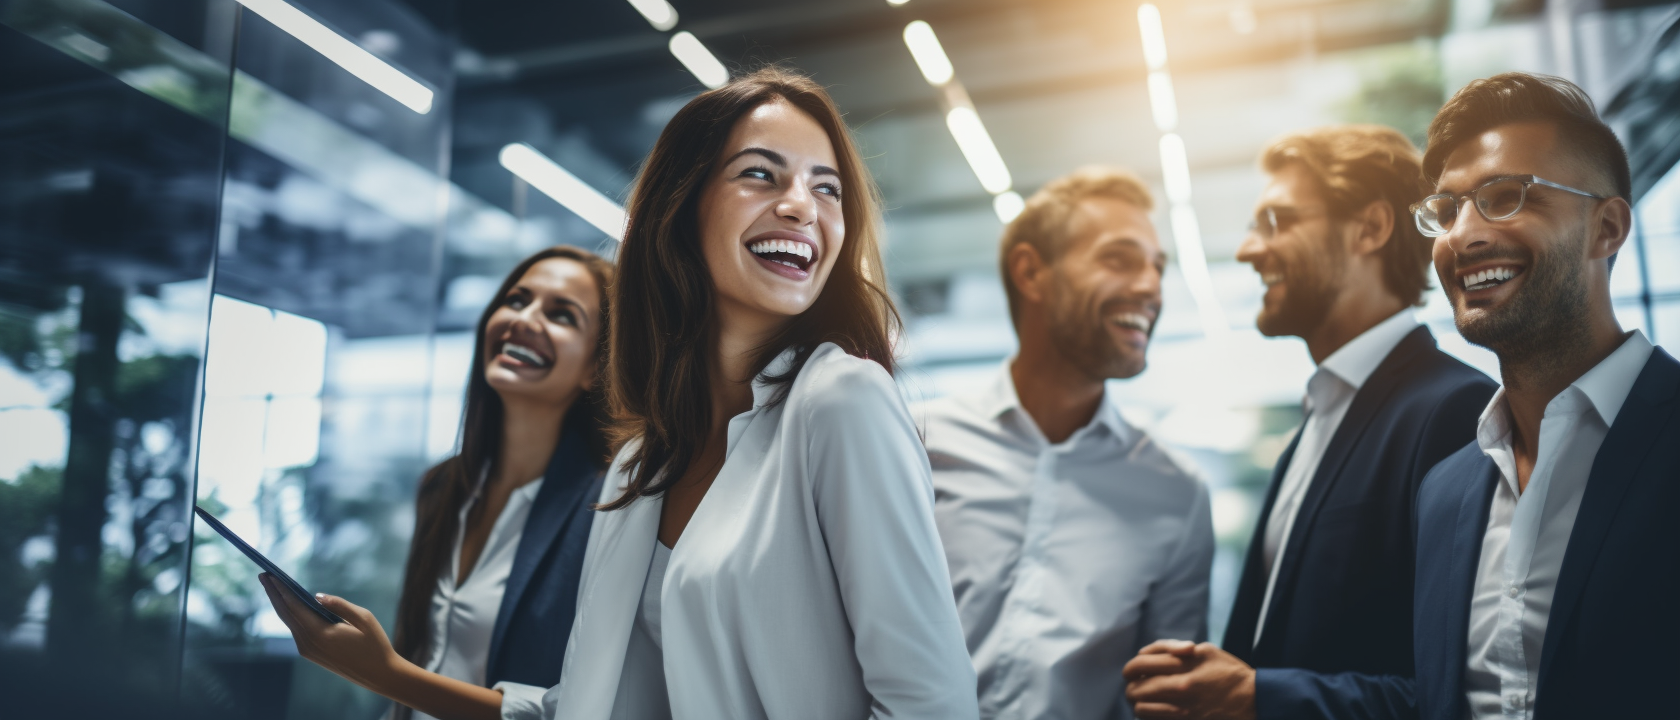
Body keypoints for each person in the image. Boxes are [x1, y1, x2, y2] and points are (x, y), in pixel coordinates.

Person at [543, 67, 978, 719]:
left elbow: (930, 705)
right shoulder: (637, 468)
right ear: (680, 208)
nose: (802, 205)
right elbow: (591, 702)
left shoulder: (844, 400)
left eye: (826, 188)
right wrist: (392, 677)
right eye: (760, 174)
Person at [1122, 126, 1496, 720]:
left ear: (1370, 229)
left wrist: (1255, 697)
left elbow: (1462, 691)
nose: (1248, 250)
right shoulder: (1315, 424)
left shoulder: (1456, 410)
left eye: (1276, 222)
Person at [1408, 73, 1675, 720]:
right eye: (1446, 210)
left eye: (1505, 197)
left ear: (1605, 228)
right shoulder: (1443, 494)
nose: (1461, 236)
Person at [260, 246, 615, 720]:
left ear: (596, 366)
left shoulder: (608, 505)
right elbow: (427, 655)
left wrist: (385, 673)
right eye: (516, 300)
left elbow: (580, 708)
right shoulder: (444, 485)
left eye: (562, 315)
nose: (525, 319)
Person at [917, 167, 1214, 720]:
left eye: (1156, 268)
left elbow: (1168, 703)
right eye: (1119, 259)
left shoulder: (1178, 493)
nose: (1150, 287)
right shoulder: (914, 445)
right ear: (1031, 272)